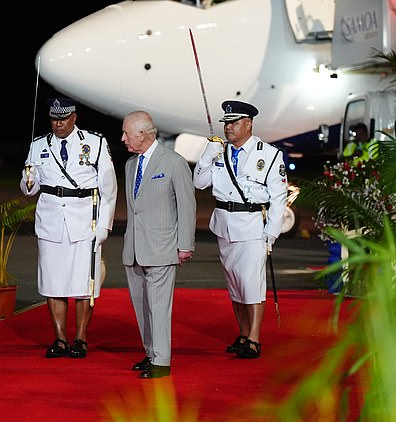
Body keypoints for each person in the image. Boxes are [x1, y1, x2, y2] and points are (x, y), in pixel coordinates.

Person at [21, 98, 117, 359]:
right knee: (54, 282)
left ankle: (80, 339)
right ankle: (60, 339)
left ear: (74, 117)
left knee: (84, 283)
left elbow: (108, 189)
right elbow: (29, 187)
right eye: (54, 119)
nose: (58, 123)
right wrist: (28, 182)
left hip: (84, 219)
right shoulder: (39, 145)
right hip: (51, 220)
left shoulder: (94, 143)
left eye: (63, 118)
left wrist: (105, 225)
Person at [193, 100, 287, 359]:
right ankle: (244, 334)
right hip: (224, 224)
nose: (229, 128)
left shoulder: (268, 154)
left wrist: (271, 233)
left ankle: (255, 339)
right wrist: (206, 155)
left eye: (234, 123)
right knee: (235, 283)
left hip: (252, 226)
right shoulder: (219, 152)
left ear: (249, 124)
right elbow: (199, 183)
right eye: (227, 123)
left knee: (252, 283)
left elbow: (278, 198)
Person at [120, 110, 196, 378]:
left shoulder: (174, 162)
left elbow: (187, 204)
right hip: (135, 249)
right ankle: (151, 353)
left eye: (126, 133)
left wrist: (185, 244)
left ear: (142, 134)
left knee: (159, 307)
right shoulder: (131, 165)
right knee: (142, 306)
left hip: (162, 248)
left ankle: (162, 361)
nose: (123, 138)